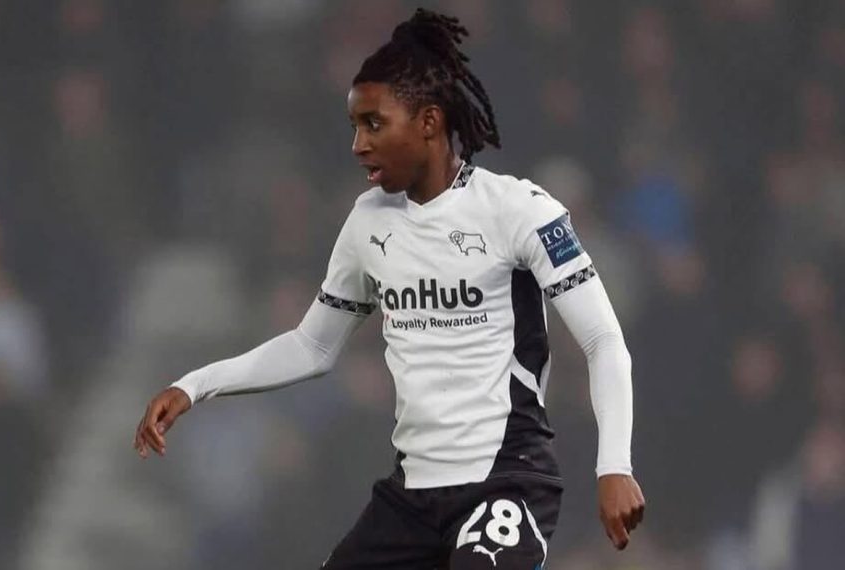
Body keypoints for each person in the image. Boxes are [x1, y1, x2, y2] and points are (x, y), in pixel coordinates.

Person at [134, 9, 644, 569]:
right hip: (412, 497)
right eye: (356, 126)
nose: (358, 145)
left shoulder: (520, 210)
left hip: (504, 480)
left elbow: (602, 340)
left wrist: (614, 467)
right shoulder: (368, 222)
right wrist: (195, 385)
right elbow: (312, 345)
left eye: (374, 125)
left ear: (428, 122)